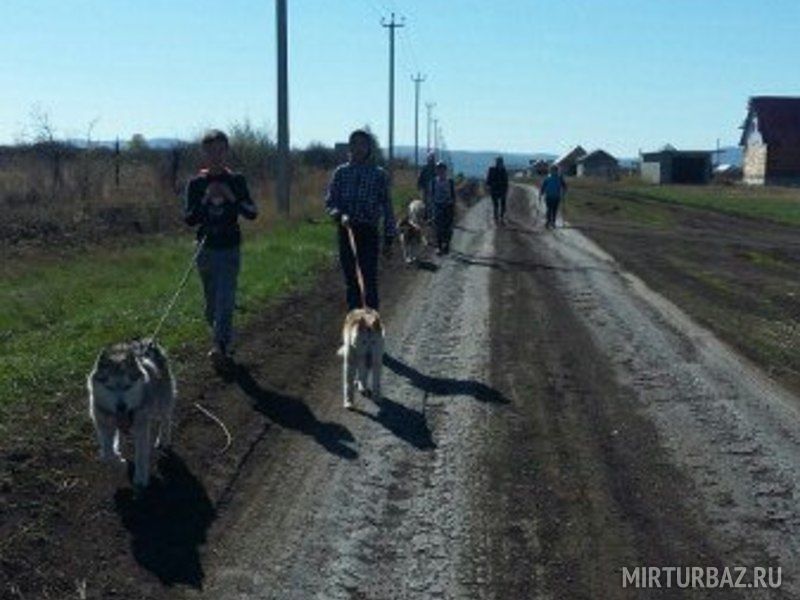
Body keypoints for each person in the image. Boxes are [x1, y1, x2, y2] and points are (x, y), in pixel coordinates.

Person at [184, 129, 258, 368]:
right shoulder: (196, 183)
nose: (215, 155)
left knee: (225, 300)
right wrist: (206, 199)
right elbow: (189, 219)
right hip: (205, 249)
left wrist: (232, 198)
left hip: (229, 248)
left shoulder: (237, 180)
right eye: (210, 150)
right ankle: (221, 338)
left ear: (226, 151)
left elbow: (252, 213)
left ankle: (220, 346)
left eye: (220, 150)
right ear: (204, 153)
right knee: (211, 305)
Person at [325, 129, 396, 311]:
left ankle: (372, 326)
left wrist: (389, 236)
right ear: (350, 147)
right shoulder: (341, 173)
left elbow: (387, 206)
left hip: (369, 231)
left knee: (368, 278)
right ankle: (355, 324)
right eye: (355, 144)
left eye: (362, 144)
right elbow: (331, 202)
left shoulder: (378, 174)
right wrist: (339, 214)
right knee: (351, 279)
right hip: (347, 231)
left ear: (369, 148)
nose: (359, 148)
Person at [432, 161, 456, 255]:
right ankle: (439, 246)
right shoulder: (434, 181)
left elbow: (453, 195)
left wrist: (453, 207)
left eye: (442, 169)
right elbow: (432, 195)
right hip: (438, 206)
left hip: (448, 206)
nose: (441, 171)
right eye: (439, 169)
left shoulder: (450, 181)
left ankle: (447, 244)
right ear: (437, 171)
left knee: (448, 227)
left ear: (445, 170)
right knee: (438, 228)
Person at [539, 164, 568, 229]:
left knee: (553, 210)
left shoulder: (559, 178)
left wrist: (564, 192)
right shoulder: (548, 178)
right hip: (550, 196)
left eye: (555, 170)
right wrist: (541, 194)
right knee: (550, 209)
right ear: (551, 171)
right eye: (553, 170)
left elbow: (565, 186)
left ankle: (552, 222)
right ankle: (549, 222)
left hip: (556, 197)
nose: (554, 171)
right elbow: (543, 187)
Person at [485, 156, 509, 224]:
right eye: (499, 162)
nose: (500, 163)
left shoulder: (503, 170)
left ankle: (501, 217)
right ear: (496, 162)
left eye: (501, 162)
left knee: (502, 204)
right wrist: (488, 186)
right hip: (494, 190)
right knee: (496, 205)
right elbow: (488, 180)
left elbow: (506, 181)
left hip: (501, 190)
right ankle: (496, 217)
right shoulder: (492, 169)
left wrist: (506, 189)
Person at [417, 151, 437, 222]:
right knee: (425, 202)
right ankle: (426, 216)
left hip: (434, 189)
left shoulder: (436, 168)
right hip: (426, 188)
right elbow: (420, 177)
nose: (431, 160)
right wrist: (419, 185)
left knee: (433, 203)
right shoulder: (425, 168)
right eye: (430, 158)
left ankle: (432, 217)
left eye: (432, 159)